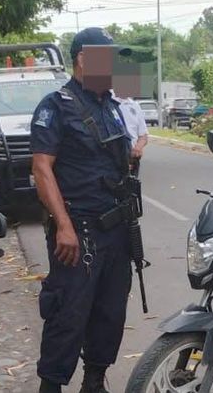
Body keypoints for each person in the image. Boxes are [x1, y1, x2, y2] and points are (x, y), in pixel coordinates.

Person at [31, 27, 135, 393]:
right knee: (69, 312)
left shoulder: (112, 106)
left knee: (110, 312)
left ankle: (94, 380)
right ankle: (52, 384)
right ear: (83, 60)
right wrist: (63, 225)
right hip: (79, 230)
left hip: (117, 230)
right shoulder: (55, 105)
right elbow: (42, 168)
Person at [113, 95, 149, 161]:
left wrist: (138, 148)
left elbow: (143, 136)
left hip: (131, 158)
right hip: (113, 158)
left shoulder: (135, 106)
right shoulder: (108, 103)